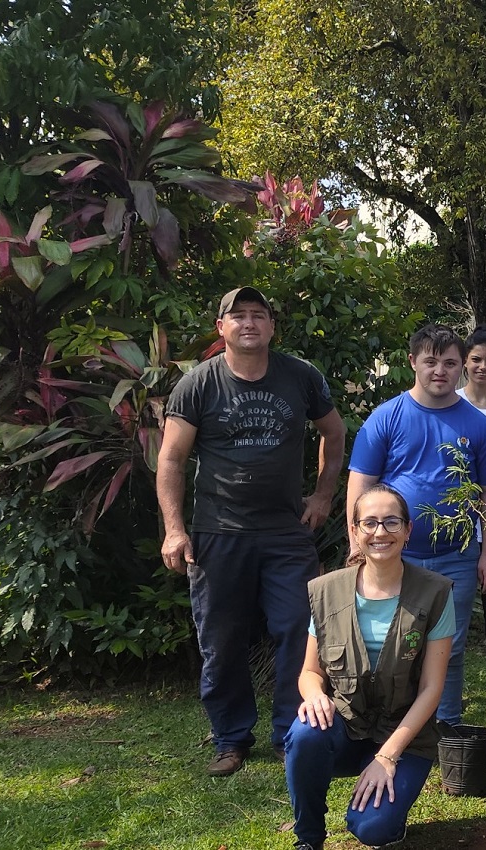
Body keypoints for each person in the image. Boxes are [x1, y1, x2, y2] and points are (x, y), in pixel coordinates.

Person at [158, 285, 346, 777]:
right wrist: (174, 530)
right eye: (238, 315)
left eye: (258, 314)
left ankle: (291, 733)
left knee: (299, 631)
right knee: (221, 641)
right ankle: (231, 739)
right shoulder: (198, 385)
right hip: (218, 533)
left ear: (271, 327)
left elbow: (333, 432)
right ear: (221, 328)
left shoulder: (300, 376)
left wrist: (323, 496)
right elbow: (171, 459)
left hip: (286, 532)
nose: (248, 322)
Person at [346, 323, 486, 727]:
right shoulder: (386, 418)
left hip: (456, 558)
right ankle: (388, 724)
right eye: (431, 361)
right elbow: (360, 484)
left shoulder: (480, 427)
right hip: (393, 556)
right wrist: (357, 543)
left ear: (461, 367)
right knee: (390, 645)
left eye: (449, 363)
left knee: (450, 647)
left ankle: (445, 728)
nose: (440, 371)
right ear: (413, 361)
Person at [286, 484, 455, 850]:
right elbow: (310, 672)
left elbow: (432, 689)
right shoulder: (327, 591)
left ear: (408, 531)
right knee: (304, 733)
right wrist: (315, 695)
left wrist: (387, 756)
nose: (380, 532)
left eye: (392, 522)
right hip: (346, 727)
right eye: (370, 523)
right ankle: (308, 839)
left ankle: (387, 816)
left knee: (373, 829)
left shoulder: (436, 592)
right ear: (355, 531)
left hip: (405, 737)